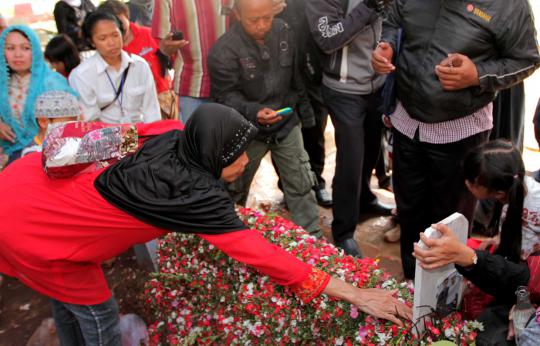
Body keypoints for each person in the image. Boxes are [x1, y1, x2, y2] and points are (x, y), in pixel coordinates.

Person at [0, 103, 411, 345]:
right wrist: (356, 293)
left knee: (62, 292)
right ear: (214, 156)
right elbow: (267, 257)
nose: (247, 162)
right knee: (97, 310)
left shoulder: (172, 131)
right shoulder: (196, 199)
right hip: (36, 227)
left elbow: (111, 136)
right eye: (237, 156)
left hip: (23, 183)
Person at [372, 0, 540, 279]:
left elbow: (526, 58)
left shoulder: (509, 5)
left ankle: (442, 296)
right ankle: (413, 283)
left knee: (449, 222)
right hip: (406, 124)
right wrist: (387, 45)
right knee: (410, 212)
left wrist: (478, 75)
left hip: (460, 132)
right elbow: (393, 18)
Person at [208, 0, 321, 235]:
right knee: (234, 190)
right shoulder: (223, 50)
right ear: (237, 15)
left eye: (267, 18)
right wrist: (254, 112)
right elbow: (224, 96)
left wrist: (306, 116)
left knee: (301, 184)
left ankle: (313, 243)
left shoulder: (285, 32)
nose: (261, 25)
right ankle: (230, 240)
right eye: (253, 20)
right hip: (245, 131)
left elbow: (297, 77)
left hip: (286, 123)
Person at [413, 140, 539, 345]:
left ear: (497, 193)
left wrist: (524, 301)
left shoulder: (536, 203)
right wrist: (495, 241)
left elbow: (531, 275)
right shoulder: (512, 193)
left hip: (530, 283)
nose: (466, 183)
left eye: (471, 181)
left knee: (483, 335)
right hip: (519, 272)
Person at [306, 0, 394, 256]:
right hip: (342, 89)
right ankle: (343, 231)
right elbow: (327, 39)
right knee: (351, 159)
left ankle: (365, 198)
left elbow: (395, 22)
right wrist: (368, 6)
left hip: (377, 84)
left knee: (371, 149)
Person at [152, 0, 287, 123]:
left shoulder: (137, 67)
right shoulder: (137, 67)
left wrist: (265, 9)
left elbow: (251, 13)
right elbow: (160, 46)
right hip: (193, 88)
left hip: (236, 87)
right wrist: (165, 49)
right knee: (200, 144)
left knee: (232, 144)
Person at [276, 0, 332, 207]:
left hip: (312, 69)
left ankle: (317, 182)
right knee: (282, 129)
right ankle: (288, 187)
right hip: (280, 69)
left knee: (316, 128)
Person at [0, 25, 76, 166]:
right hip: (8, 156)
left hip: (48, 157)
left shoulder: (53, 83)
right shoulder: (3, 82)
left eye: (25, 48)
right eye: (10, 48)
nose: (18, 54)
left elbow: (68, 128)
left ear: (35, 50)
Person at [69, 11, 160, 124]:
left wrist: (155, 138)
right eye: (103, 38)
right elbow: (90, 121)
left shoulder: (140, 65)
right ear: (91, 42)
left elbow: (152, 111)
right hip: (104, 137)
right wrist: (124, 138)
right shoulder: (81, 75)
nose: (112, 42)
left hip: (141, 134)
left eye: (115, 35)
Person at [97, 0, 177, 120]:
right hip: (131, 111)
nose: (118, 27)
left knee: (168, 136)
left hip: (163, 100)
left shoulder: (148, 34)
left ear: (127, 16)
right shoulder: (108, 50)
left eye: (120, 22)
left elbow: (172, 58)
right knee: (133, 138)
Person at [21, 90, 82, 157]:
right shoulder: (32, 154)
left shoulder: (75, 145)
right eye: (67, 124)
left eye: (75, 123)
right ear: (43, 122)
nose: (73, 129)